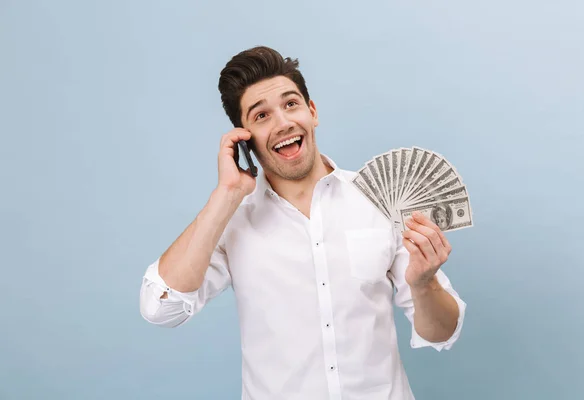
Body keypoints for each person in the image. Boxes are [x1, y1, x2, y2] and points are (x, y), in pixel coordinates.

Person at [139, 46, 466, 400]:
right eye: (261, 115)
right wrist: (226, 194)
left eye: (291, 104)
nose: (283, 123)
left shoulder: (378, 200)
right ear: (243, 138)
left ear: (312, 112)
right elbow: (161, 308)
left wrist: (424, 283)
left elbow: (442, 333)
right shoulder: (232, 220)